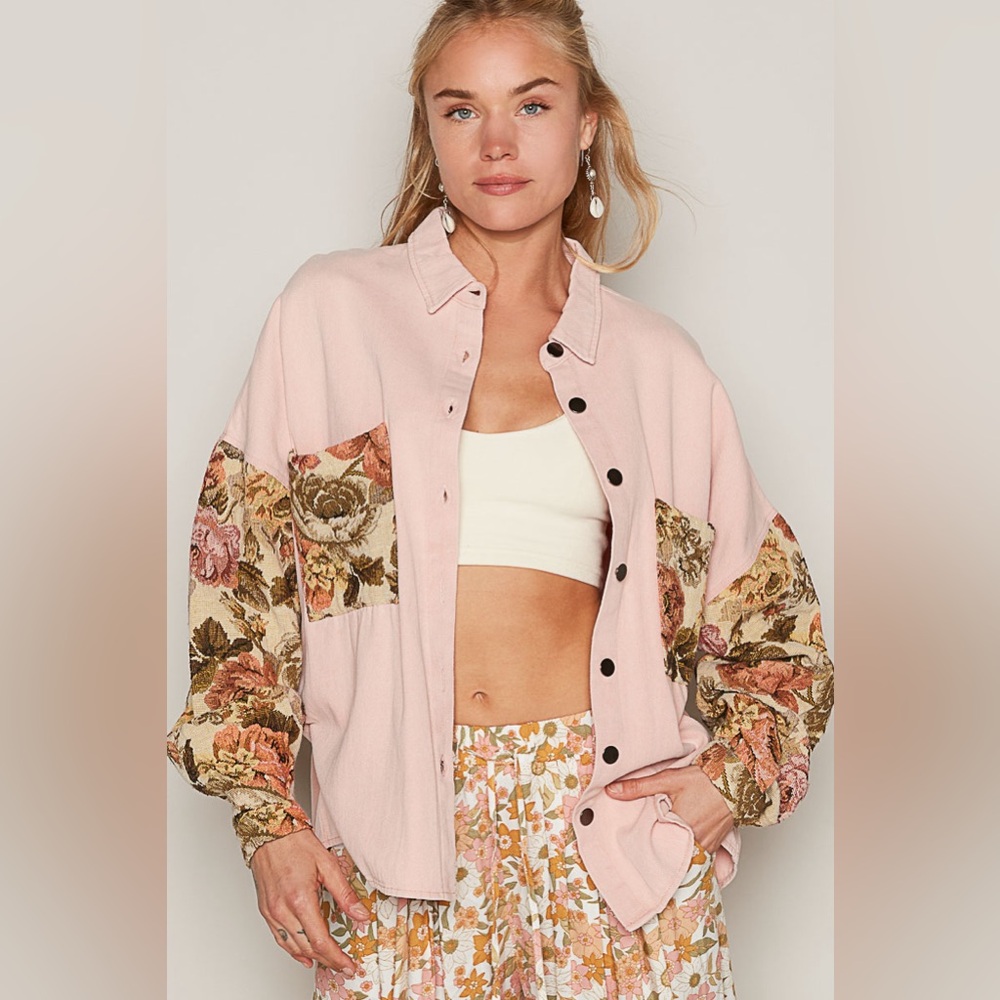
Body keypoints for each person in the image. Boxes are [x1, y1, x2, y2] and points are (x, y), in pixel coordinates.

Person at [166, 1, 834, 997]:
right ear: (429, 132)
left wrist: (718, 789)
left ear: (587, 123)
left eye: (531, 104)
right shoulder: (329, 317)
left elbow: (779, 639)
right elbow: (241, 591)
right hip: (395, 849)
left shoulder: (658, 369)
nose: (496, 142)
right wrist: (267, 821)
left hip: (613, 846)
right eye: (460, 109)